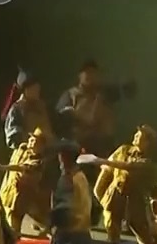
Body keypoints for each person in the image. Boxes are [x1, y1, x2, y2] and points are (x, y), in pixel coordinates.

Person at [55, 60, 136, 225]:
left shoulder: (104, 94)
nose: (90, 77)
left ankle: (108, 212)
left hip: (102, 144)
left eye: (93, 73)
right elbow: (61, 116)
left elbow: (125, 91)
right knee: (76, 181)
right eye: (87, 73)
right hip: (79, 144)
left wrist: (128, 83)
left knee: (106, 179)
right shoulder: (71, 95)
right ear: (80, 75)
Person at [93, 125, 157, 244]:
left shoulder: (149, 162)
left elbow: (129, 167)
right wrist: (101, 194)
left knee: (146, 236)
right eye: (136, 134)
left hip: (135, 201)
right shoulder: (123, 150)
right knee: (112, 234)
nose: (135, 137)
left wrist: (104, 161)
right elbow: (107, 169)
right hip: (115, 197)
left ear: (148, 142)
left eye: (140, 136)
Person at [0, 127, 52, 237]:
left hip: (23, 196)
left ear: (42, 147)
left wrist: (2, 167)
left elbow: (22, 167)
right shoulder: (22, 149)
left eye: (36, 142)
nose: (32, 142)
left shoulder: (38, 162)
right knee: (7, 214)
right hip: (10, 191)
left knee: (17, 219)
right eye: (32, 139)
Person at [1, 68, 53, 151]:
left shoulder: (43, 106)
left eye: (37, 88)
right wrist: (30, 140)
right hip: (29, 152)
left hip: (50, 150)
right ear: (25, 91)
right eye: (34, 89)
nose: (37, 91)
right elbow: (12, 136)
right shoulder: (17, 109)